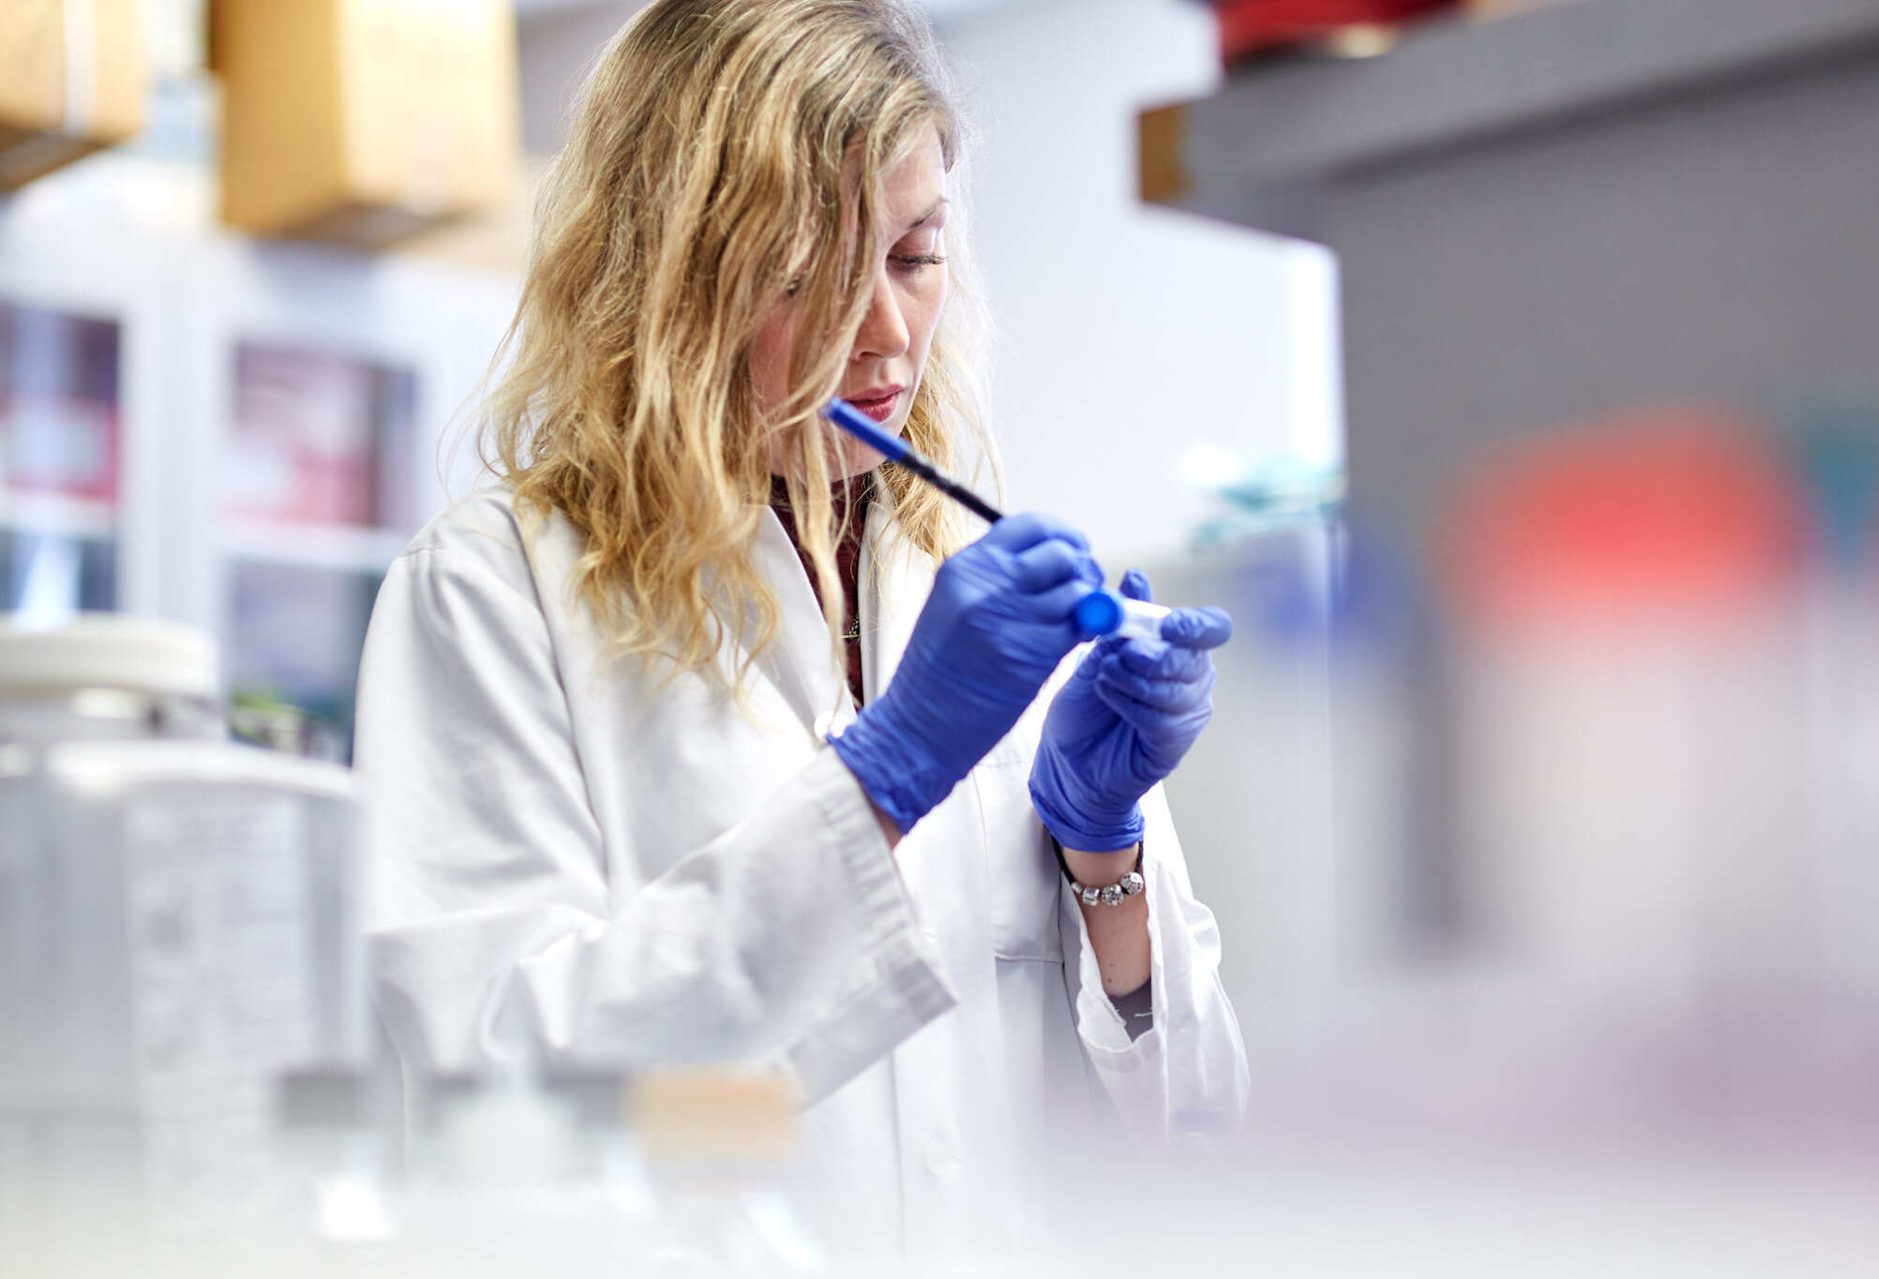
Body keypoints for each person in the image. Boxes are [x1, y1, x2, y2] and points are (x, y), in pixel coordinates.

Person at [356, 0, 1247, 1256]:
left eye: (913, 253)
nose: (882, 330)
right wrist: (881, 785)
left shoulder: (979, 593)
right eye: (804, 268)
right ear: (663, 272)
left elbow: (1198, 1129)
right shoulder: (497, 594)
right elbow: (498, 1115)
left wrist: (1106, 856)